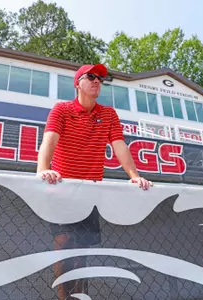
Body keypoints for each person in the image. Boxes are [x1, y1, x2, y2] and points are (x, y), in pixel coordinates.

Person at [36, 63, 152, 299]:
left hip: (90, 192)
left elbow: (119, 146)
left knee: (83, 251)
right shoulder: (61, 110)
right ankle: (63, 297)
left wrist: (135, 176)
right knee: (64, 244)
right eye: (91, 77)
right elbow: (49, 141)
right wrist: (43, 170)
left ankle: (81, 296)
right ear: (77, 83)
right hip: (62, 189)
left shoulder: (108, 114)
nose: (97, 80)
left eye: (101, 78)